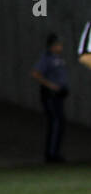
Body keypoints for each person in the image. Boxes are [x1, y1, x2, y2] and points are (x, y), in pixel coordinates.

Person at [31, 33, 68, 163]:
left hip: (58, 96)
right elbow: (35, 73)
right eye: (58, 44)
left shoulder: (58, 58)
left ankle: (55, 152)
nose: (61, 47)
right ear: (53, 45)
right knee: (55, 123)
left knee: (59, 123)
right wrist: (51, 86)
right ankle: (51, 154)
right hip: (50, 96)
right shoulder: (46, 58)